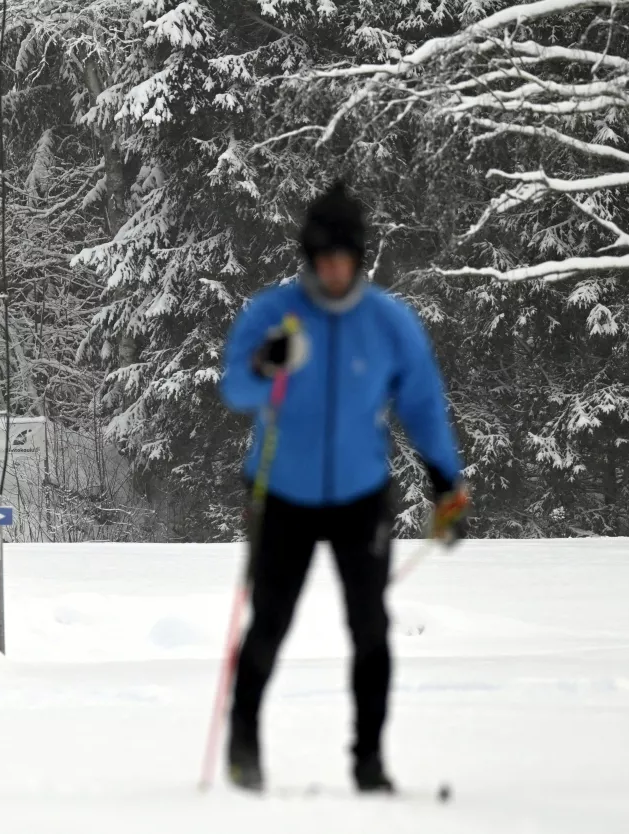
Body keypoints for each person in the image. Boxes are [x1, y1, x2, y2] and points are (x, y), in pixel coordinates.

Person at [217, 181, 470, 794]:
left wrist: (446, 483)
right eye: (322, 257)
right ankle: (243, 746)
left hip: (360, 495)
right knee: (270, 620)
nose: (332, 269)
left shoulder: (388, 322)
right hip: (281, 493)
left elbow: (423, 405)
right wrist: (262, 365)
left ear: (358, 258)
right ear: (308, 257)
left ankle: (369, 760)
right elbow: (236, 391)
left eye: (343, 257)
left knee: (368, 626)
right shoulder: (274, 314)